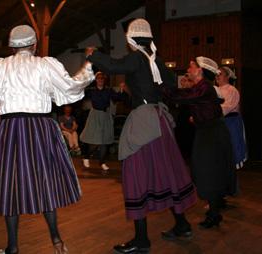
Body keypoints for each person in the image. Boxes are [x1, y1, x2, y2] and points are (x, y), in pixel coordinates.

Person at [0, 25, 94, 254]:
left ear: (12, 47)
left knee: (9, 186)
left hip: (11, 128)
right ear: (34, 45)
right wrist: (89, 65)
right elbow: (70, 87)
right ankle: (57, 241)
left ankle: (13, 247)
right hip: (41, 127)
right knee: (46, 182)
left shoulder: (0, 67)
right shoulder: (44, 65)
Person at [86, 19, 197, 253]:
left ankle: (141, 240)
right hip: (160, 120)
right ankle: (182, 224)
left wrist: (94, 55)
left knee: (135, 173)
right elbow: (169, 84)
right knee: (167, 172)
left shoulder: (137, 57)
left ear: (131, 39)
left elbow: (114, 66)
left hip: (145, 121)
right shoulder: (154, 59)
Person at [162, 56, 236, 229]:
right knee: (205, 171)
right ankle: (214, 212)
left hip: (213, 135)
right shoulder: (202, 88)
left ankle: (214, 213)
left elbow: (181, 96)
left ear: (200, 71)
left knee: (208, 171)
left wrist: (159, 87)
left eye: (191, 67)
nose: (188, 70)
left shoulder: (204, 88)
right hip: (207, 133)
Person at [80, 71, 126, 171]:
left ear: (104, 80)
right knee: (94, 140)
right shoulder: (91, 90)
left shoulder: (109, 90)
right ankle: (86, 157)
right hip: (95, 116)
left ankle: (102, 162)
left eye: (102, 78)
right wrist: (82, 83)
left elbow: (118, 98)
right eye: (98, 78)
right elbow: (80, 94)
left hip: (106, 116)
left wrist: (122, 89)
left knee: (105, 140)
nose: (100, 80)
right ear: (96, 80)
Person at [216, 66, 247, 169]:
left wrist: (212, 110)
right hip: (219, 123)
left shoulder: (232, 90)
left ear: (227, 76)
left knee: (232, 148)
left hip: (231, 123)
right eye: (216, 74)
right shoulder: (215, 89)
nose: (217, 76)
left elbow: (227, 106)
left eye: (220, 74)